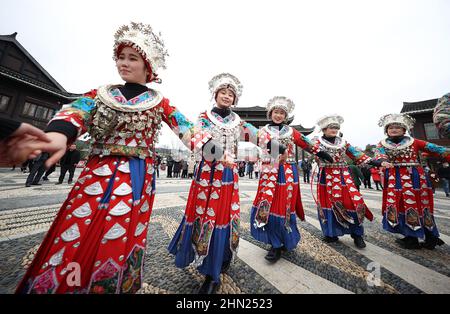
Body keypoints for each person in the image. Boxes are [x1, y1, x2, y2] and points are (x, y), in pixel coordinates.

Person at [16, 22, 195, 294]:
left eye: (132, 58)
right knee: (75, 226)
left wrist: (219, 149)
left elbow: (188, 131)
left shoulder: (160, 102)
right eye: (120, 57)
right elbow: (75, 113)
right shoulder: (102, 95)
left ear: (148, 68)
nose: (124, 63)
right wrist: (59, 135)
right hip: (96, 172)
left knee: (121, 231)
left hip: (136, 176)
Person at [168, 73, 258, 294]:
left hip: (228, 175)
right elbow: (196, 140)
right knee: (205, 213)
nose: (227, 97)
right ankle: (204, 259)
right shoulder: (204, 117)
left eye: (231, 94)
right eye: (223, 93)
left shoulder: (239, 122)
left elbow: (259, 136)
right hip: (207, 172)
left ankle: (217, 263)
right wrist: (219, 156)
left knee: (224, 216)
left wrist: (276, 145)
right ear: (215, 94)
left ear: (235, 99)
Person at [250, 97, 332, 262]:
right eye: (276, 112)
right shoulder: (262, 131)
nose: (278, 115)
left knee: (285, 206)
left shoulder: (291, 131)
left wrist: (321, 153)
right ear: (270, 114)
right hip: (269, 171)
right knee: (269, 204)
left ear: (285, 116)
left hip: (288, 171)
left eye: (282, 113)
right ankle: (274, 243)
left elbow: (307, 143)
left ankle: (285, 239)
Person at [374, 113, 449, 250]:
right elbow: (379, 155)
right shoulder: (382, 144)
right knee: (399, 204)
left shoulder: (414, 142)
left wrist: (443, 153)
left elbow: (438, 149)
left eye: (398, 127)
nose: (394, 129)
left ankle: (430, 236)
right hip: (394, 177)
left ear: (404, 129)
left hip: (415, 178)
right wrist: (382, 161)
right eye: (391, 127)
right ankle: (411, 237)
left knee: (421, 204)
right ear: (386, 131)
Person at [312, 114, 383, 249]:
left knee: (353, 202)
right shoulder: (317, 143)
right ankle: (331, 233)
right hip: (326, 176)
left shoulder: (344, 143)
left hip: (343, 175)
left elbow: (358, 155)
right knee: (327, 204)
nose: (334, 129)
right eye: (330, 127)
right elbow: (312, 151)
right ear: (324, 129)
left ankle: (357, 234)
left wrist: (376, 162)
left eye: (336, 127)